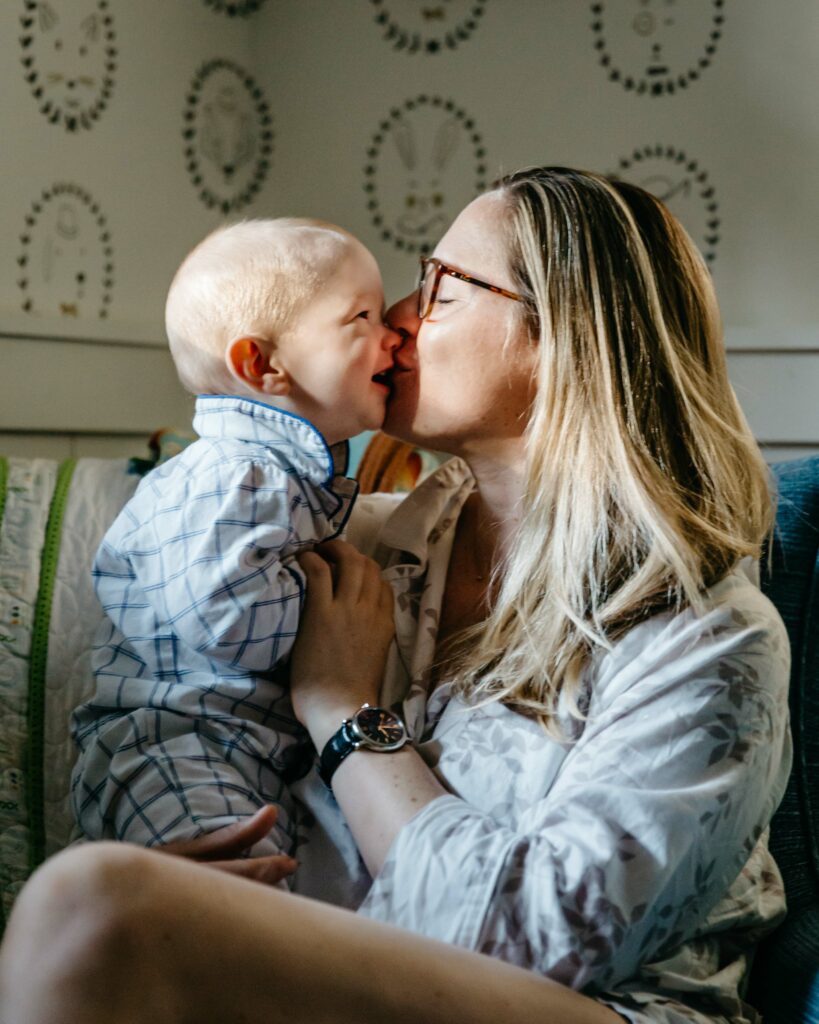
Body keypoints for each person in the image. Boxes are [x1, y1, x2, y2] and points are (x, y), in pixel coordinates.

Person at [0, 167, 791, 1024]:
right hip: (321, 988)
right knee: (95, 906)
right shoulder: (340, 548)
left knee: (92, 904)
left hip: (589, 1008)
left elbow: (538, 942)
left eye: (442, 286)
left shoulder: (710, 638)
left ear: (563, 333)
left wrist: (343, 711)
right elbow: (155, 687)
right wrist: (172, 849)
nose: (399, 320)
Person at [70, 218, 399, 864]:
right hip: (173, 744)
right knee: (220, 889)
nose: (391, 335)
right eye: (362, 317)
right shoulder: (237, 473)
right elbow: (223, 614)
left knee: (266, 885)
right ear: (263, 364)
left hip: (240, 747)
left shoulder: (278, 471)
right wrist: (332, 614)